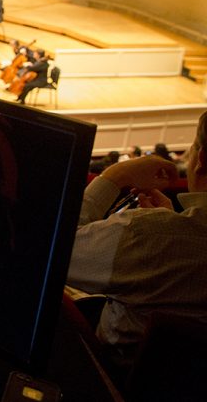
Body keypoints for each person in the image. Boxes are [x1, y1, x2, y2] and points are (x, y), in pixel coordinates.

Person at [67, 123, 207, 373]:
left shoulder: (144, 234)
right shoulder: (160, 236)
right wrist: (169, 223)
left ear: (202, 159)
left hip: (113, 374)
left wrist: (114, 176)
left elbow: (57, 253)